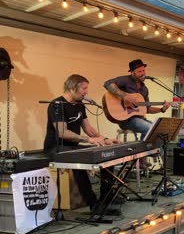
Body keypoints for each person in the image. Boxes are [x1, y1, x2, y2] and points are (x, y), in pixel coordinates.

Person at [43, 74, 121, 215]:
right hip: (56, 147)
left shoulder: (80, 105)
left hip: (72, 147)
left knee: (107, 155)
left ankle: (107, 198)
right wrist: (87, 140)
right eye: (84, 88)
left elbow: (89, 129)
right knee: (79, 162)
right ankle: (93, 204)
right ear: (72, 88)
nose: (86, 92)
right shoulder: (57, 105)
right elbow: (62, 132)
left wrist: (105, 139)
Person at [103, 59, 170, 140]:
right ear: (132, 72)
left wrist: (162, 109)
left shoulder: (144, 89)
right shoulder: (125, 80)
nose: (142, 73)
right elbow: (107, 84)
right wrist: (125, 96)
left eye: (143, 71)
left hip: (140, 119)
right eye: (139, 71)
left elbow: (147, 109)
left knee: (157, 131)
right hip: (126, 120)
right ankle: (143, 151)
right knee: (149, 129)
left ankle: (151, 152)